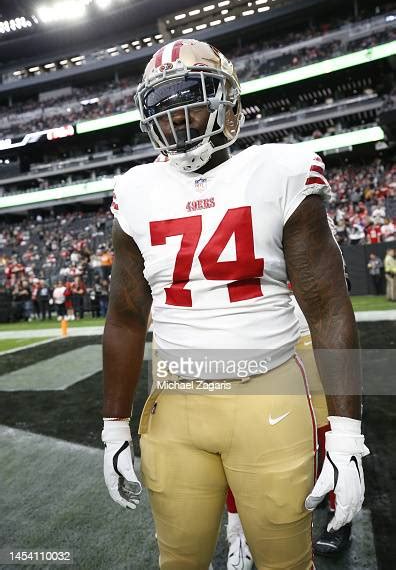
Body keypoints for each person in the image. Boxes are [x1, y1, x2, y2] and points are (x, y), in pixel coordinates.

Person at [102, 39, 369, 570]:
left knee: (286, 563)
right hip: (175, 401)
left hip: (268, 396)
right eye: (164, 110)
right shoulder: (134, 190)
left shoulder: (281, 170)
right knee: (178, 560)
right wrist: (112, 425)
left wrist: (346, 435)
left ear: (228, 102)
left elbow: (328, 308)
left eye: (191, 101)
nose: (179, 121)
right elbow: (127, 316)